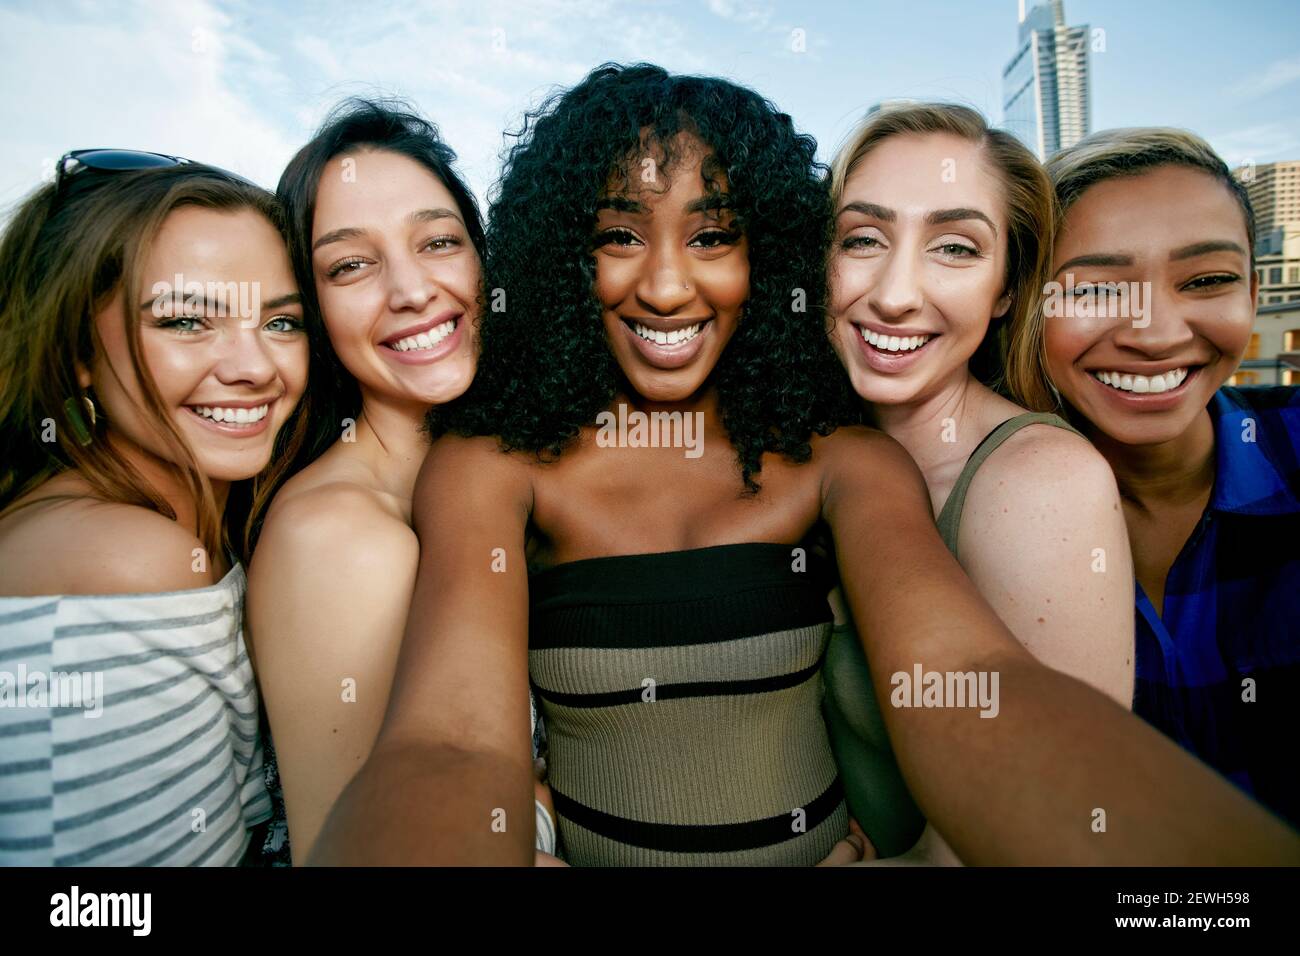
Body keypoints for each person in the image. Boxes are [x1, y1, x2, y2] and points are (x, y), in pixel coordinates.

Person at [308, 64, 1299, 868]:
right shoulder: (489, 465)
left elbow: (964, 681)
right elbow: (446, 741)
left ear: (771, 252)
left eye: (713, 235)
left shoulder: (843, 460)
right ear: (564, 253)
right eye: (618, 234)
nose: (663, 283)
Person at [247, 99, 559, 863]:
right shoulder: (340, 541)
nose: (412, 289)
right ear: (311, 306)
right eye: (351, 265)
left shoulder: (501, 476)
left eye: (439, 241)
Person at [822, 103, 1133, 863]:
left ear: (1003, 290)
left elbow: (1060, 819)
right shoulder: (811, 453)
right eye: (863, 239)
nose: (895, 294)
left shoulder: (1041, 484)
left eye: (955, 248)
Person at [0, 152, 309, 865]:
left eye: (282, 323)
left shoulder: (191, 527)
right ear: (78, 348)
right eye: (186, 322)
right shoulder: (130, 561)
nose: (254, 366)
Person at [1041, 127, 1300, 829]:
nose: (1153, 335)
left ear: (1252, 289)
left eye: (1207, 280)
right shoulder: (968, 512)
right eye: (1095, 289)